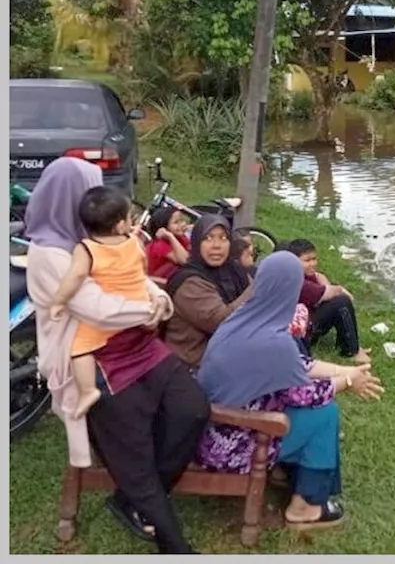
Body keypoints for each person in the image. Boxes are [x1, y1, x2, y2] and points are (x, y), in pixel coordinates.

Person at [24, 157, 208, 554]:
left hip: (139, 344)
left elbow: (135, 278)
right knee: (134, 447)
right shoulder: (50, 254)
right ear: (71, 199)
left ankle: (134, 496)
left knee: (192, 409)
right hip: (92, 359)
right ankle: (174, 544)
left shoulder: (105, 238)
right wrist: (150, 310)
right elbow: (96, 307)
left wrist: (159, 299)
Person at [196, 252, 384, 530]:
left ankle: (287, 473)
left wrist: (345, 371)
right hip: (232, 445)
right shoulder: (272, 341)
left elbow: (297, 365)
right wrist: (348, 383)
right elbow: (305, 394)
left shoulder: (243, 320)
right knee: (323, 415)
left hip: (211, 431)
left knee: (311, 411)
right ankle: (305, 507)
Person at [47, 185, 156, 419]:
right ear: (119, 225)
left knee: (78, 347)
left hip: (110, 313)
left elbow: (75, 277)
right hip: (138, 303)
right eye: (129, 217)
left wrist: (58, 301)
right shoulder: (134, 241)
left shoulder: (86, 249)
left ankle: (87, 391)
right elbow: (143, 266)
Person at [163, 214, 253, 369]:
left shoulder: (233, 270)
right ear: (196, 242)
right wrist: (259, 286)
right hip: (194, 364)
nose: (216, 245)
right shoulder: (190, 283)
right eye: (208, 238)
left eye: (223, 238)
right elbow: (222, 322)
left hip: (227, 353)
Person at [285, 238, 369, 364]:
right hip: (302, 333)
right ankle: (351, 351)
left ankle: (349, 344)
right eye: (307, 260)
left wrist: (323, 280)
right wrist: (341, 289)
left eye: (314, 259)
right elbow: (329, 292)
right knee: (341, 302)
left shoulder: (300, 275)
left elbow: (322, 281)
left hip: (303, 323)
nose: (313, 263)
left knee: (336, 302)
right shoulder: (300, 284)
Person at [145, 206, 192, 282]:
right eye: (176, 222)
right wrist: (170, 237)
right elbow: (185, 261)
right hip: (156, 283)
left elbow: (192, 251)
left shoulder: (180, 237)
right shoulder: (160, 245)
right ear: (163, 227)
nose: (182, 224)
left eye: (182, 220)